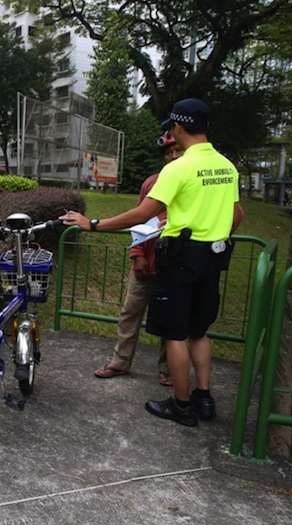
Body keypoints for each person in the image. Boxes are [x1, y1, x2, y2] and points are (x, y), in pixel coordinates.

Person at [60, 98, 243, 427]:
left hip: (180, 259)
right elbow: (235, 215)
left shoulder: (178, 168)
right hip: (213, 258)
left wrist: (94, 223)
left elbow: (143, 213)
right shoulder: (226, 166)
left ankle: (182, 405)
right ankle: (204, 399)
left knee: (174, 334)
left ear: (177, 127)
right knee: (198, 332)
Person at [94, 132, 183, 385]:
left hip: (176, 264)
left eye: (178, 150)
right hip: (147, 260)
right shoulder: (152, 183)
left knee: (170, 318)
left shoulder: (191, 184)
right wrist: (137, 256)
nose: (173, 156)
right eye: (168, 152)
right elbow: (139, 219)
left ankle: (167, 369)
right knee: (130, 311)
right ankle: (119, 361)